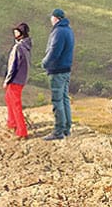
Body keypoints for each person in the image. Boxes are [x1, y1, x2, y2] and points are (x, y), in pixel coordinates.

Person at [42, 8, 75, 141]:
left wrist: (45, 63)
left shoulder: (59, 32)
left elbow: (54, 51)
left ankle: (58, 130)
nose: (51, 19)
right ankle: (66, 128)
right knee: (65, 98)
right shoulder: (68, 30)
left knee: (57, 100)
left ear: (56, 18)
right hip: (66, 69)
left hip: (57, 70)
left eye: (52, 17)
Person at [4, 22, 31, 140]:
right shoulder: (26, 46)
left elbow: (13, 66)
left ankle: (21, 131)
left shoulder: (18, 47)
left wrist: (7, 80)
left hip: (15, 79)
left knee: (15, 105)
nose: (14, 33)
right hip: (22, 79)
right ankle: (11, 123)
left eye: (17, 31)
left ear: (21, 34)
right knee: (9, 99)